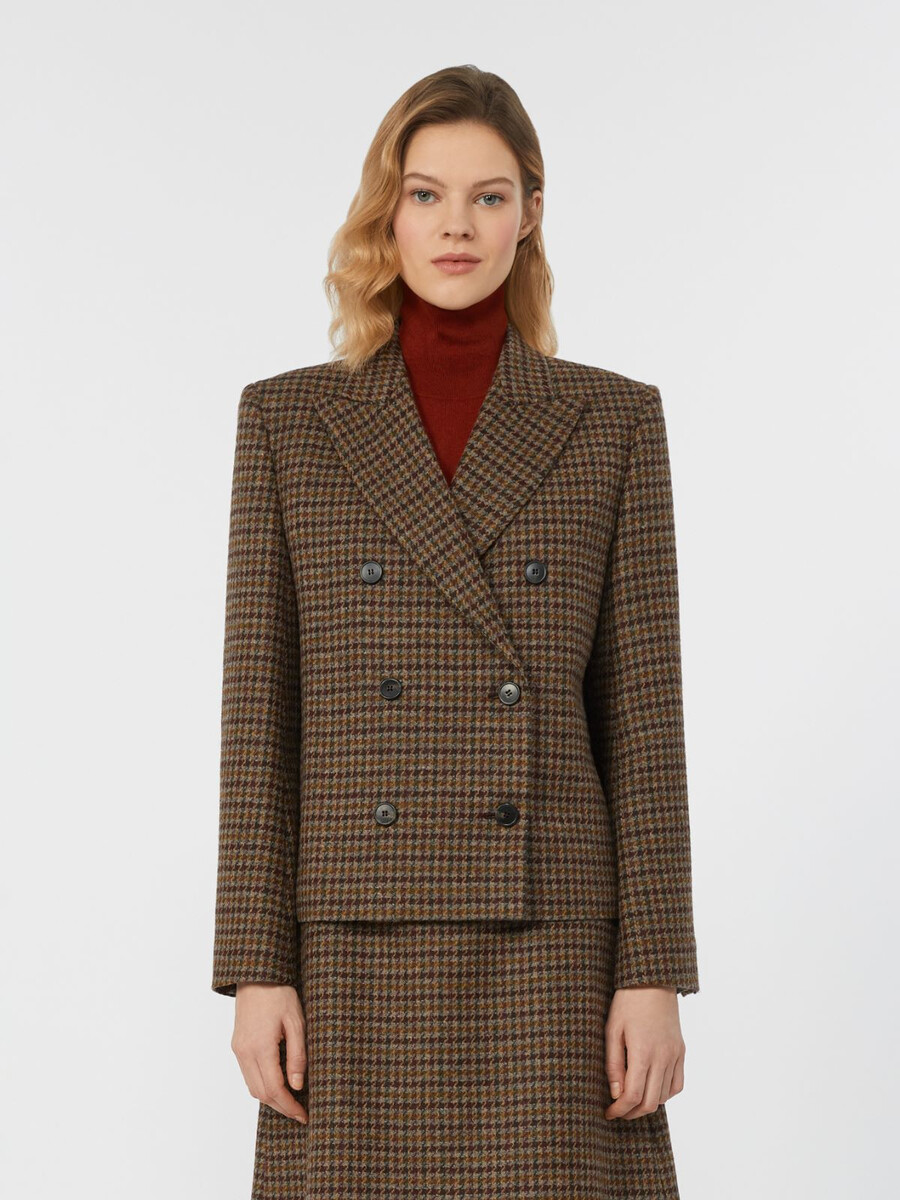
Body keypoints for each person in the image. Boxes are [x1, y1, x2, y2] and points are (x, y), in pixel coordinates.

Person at [212, 63, 700, 1199]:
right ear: (387, 211)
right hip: (354, 932)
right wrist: (253, 968)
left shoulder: (614, 419)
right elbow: (259, 717)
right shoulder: (287, 419)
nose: (457, 226)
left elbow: (643, 721)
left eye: (489, 196)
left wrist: (654, 972)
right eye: (426, 194)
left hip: (551, 933)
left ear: (531, 213)